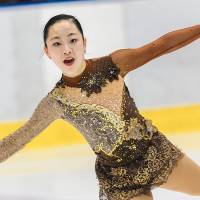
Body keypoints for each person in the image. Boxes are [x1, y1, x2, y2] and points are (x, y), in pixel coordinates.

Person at [0, 14, 200, 200]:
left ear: (84, 42)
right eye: (56, 43)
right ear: (47, 51)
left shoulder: (114, 65)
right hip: (120, 180)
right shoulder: (55, 102)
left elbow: (160, 46)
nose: (66, 49)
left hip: (155, 153)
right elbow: (17, 139)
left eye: (73, 40)